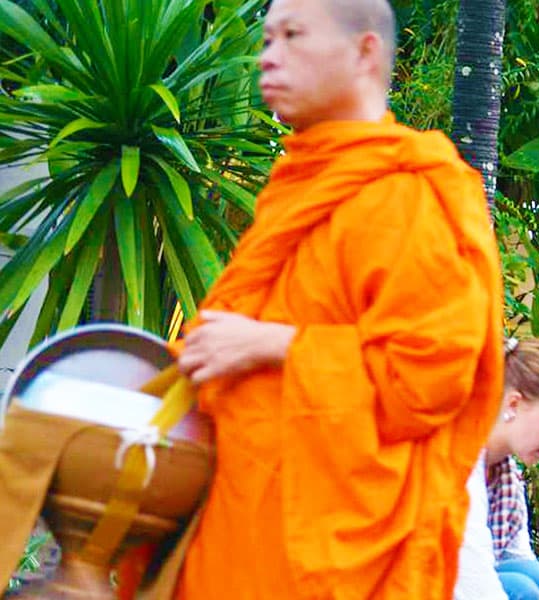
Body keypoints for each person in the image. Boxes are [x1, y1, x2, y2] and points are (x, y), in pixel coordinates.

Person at [170, 0, 505, 595]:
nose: (269, 57)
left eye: (293, 36)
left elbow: (429, 376)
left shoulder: (406, 195)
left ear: (364, 52)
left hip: (334, 550)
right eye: (267, 39)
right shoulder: (301, 184)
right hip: (245, 522)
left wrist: (274, 345)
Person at [453, 338, 539, 600]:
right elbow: (474, 582)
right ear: (514, 404)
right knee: (522, 588)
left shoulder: (505, 475)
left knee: (538, 578)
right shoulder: (462, 461)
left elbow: (520, 557)